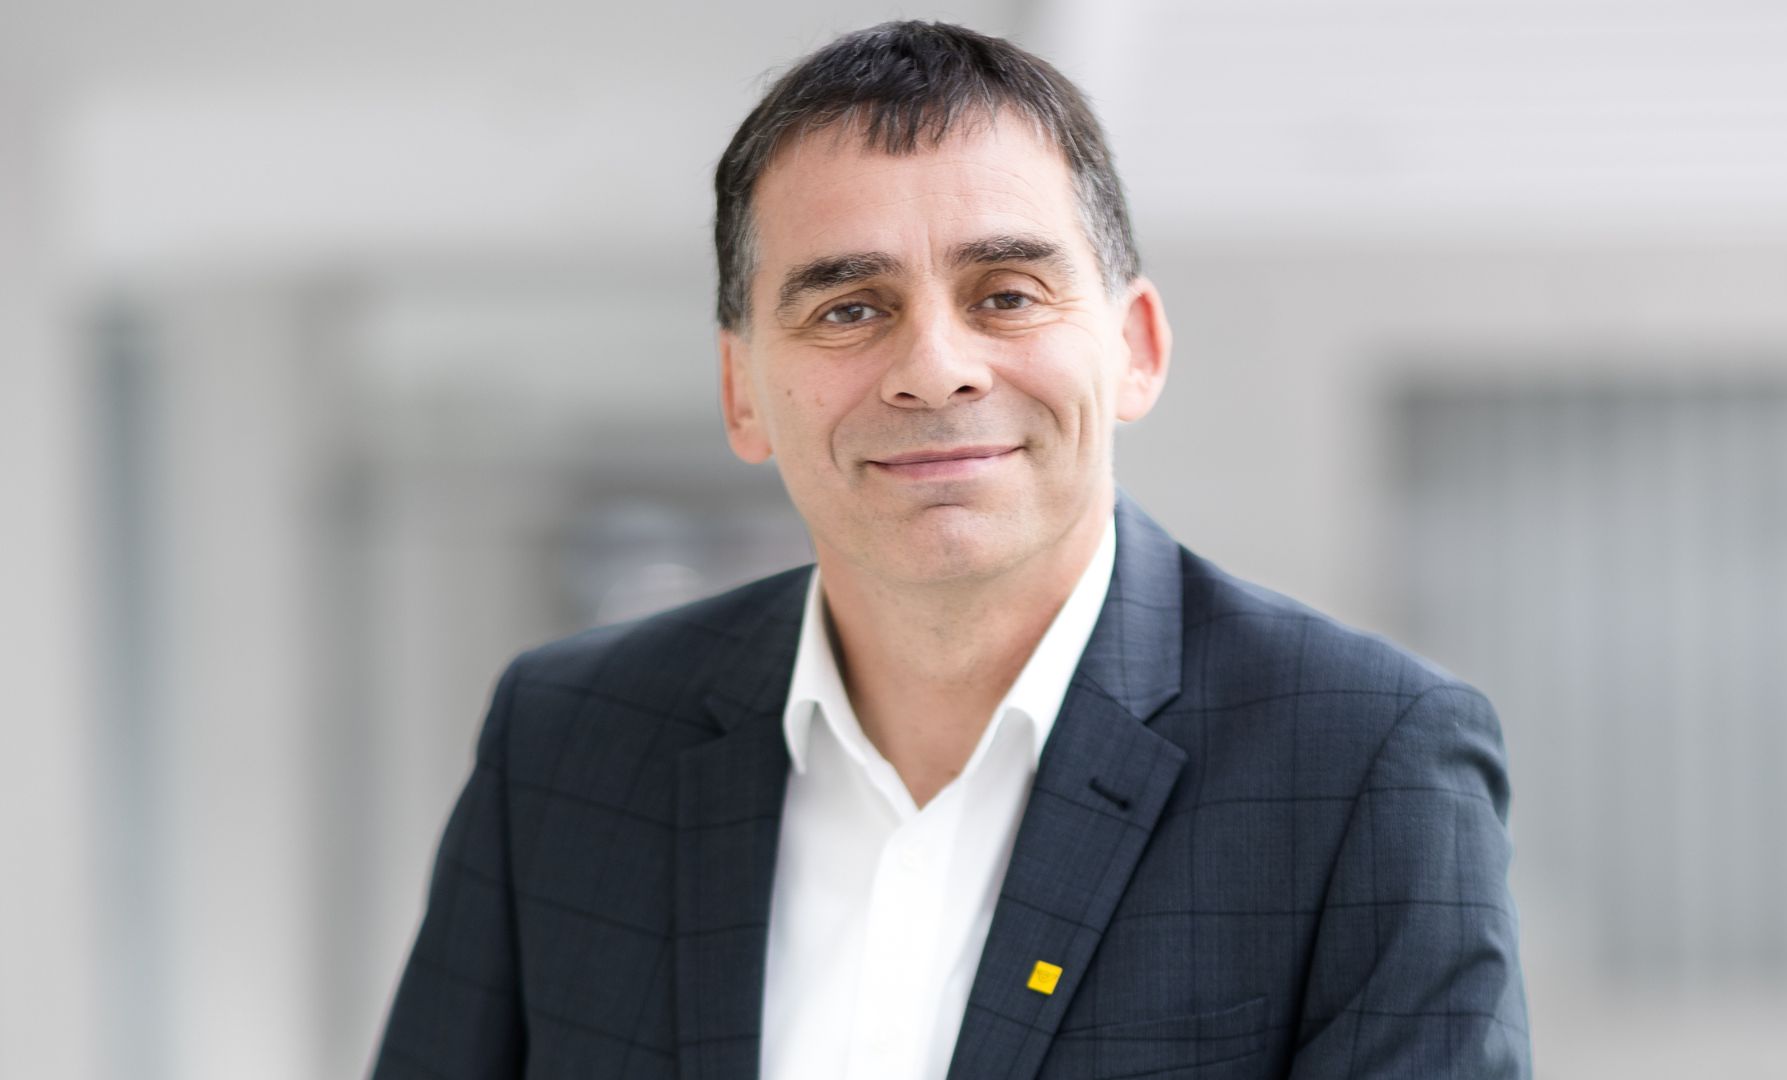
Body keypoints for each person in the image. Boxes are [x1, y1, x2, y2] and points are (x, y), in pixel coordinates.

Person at [371, 20, 1530, 1080]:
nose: (935, 368)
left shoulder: (1365, 762)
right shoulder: (568, 742)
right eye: (849, 308)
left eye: (1007, 295)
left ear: (1133, 347)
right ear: (742, 390)